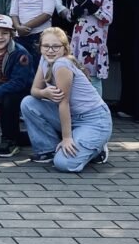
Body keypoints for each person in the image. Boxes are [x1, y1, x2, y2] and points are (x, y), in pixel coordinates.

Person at [22, 27, 113, 171]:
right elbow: (34, 90)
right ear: (40, 47)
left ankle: (97, 149)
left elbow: (63, 103)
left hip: (94, 120)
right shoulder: (44, 59)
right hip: (72, 117)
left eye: (56, 46)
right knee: (28, 103)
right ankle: (48, 150)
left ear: (65, 48)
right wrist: (44, 93)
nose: (50, 50)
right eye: (46, 46)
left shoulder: (61, 65)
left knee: (64, 163)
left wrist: (66, 138)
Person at [0, 14, 38, 158]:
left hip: (24, 94)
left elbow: (19, 83)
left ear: (12, 35)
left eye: (5, 33)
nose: (0, 37)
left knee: (8, 98)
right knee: (4, 97)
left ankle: (9, 141)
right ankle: (17, 136)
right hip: (0, 92)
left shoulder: (20, 53)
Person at [67, 0, 113, 96]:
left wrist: (92, 7)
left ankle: (97, 110)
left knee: (93, 80)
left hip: (94, 45)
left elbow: (108, 18)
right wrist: (75, 12)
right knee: (74, 76)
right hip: (77, 42)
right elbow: (70, 16)